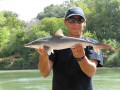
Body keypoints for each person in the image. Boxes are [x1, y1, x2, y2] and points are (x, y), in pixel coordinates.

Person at [36, 7, 103, 90]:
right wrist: (43, 55)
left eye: (80, 20)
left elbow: (91, 72)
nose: (76, 24)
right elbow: (44, 73)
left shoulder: (91, 44)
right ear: (65, 22)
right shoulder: (53, 44)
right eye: (71, 20)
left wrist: (81, 58)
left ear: (85, 22)